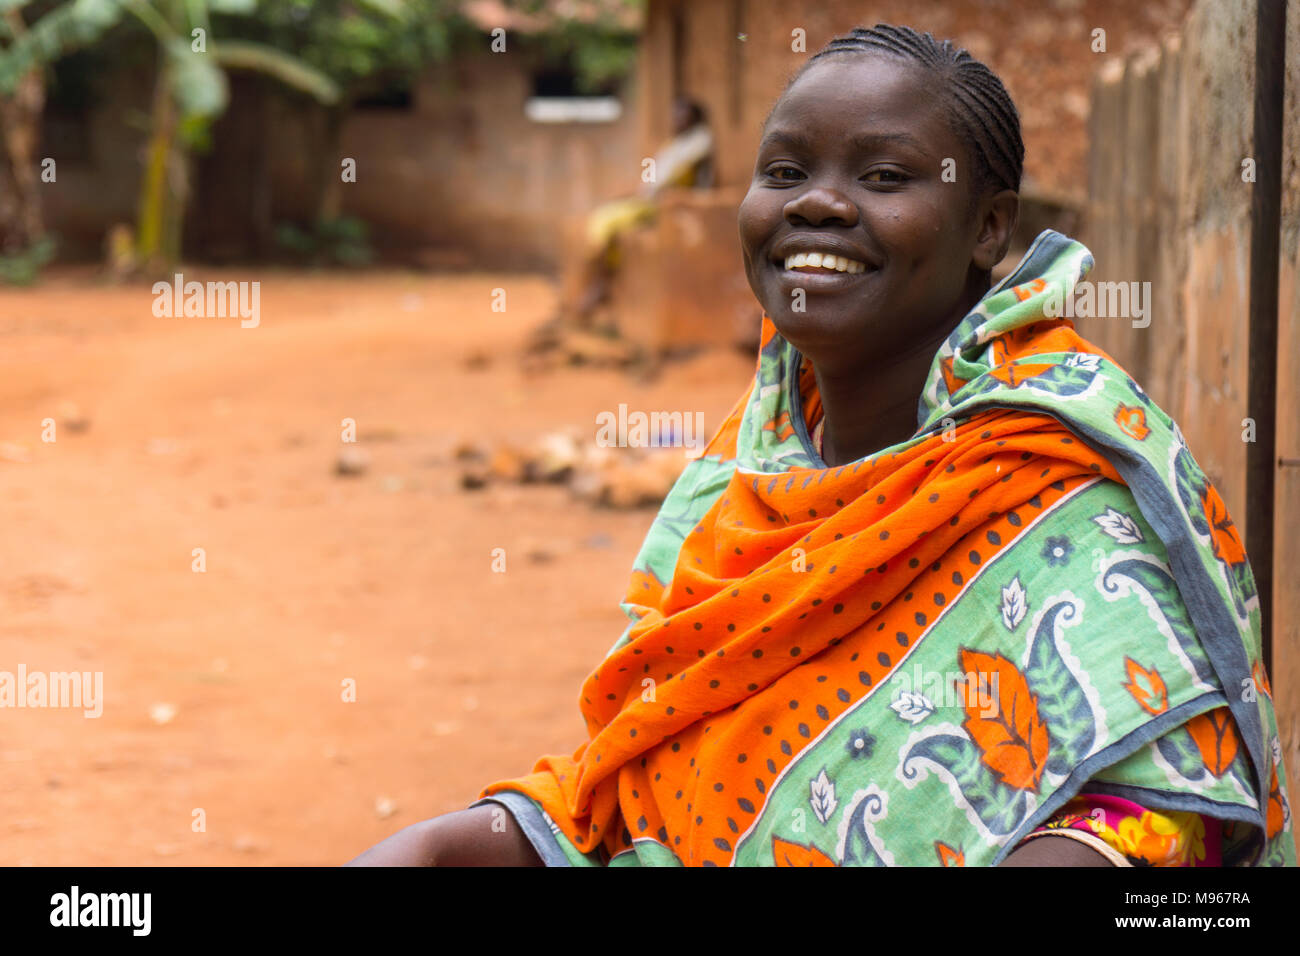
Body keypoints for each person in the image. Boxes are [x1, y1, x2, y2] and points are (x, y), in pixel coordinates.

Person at [349, 24, 1293, 867]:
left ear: (990, 226)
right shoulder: (741, 484)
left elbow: (1158, 818)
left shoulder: (1063, 490)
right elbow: (626, 791)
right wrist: (453, 843)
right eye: (786, 172)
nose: (817, 206)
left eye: (883, 178)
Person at [564, 96, 714, 325]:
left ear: (694, 117)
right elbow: (651, 184)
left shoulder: (699, 145)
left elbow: (699, 186)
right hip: (649, 201)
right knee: (601, 219)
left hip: (661, 206)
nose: (676, 118)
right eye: (675, 113)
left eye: (682, 114)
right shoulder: (675, 145)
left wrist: (684, 202)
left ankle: (600, 285)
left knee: (606, 223)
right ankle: (600, 280)